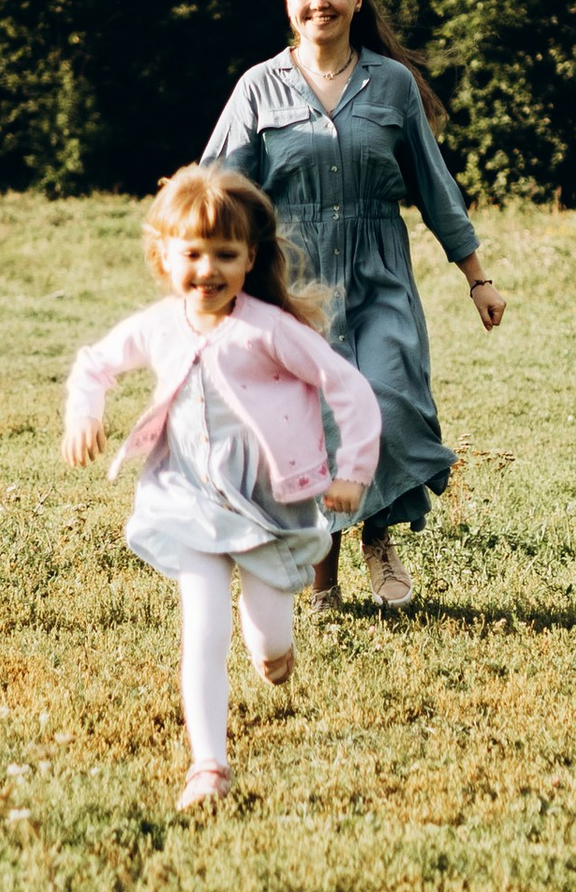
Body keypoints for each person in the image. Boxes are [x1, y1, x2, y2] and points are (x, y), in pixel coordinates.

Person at [64, 164, 382, 812]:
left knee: (266, 636)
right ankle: (208, 766)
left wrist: (353, 472)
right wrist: (85, 410)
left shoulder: (268, 330)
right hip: (187, 498)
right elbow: (96, 363)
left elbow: (348, 389)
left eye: (224, 256)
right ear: (164, 255)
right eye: (193, 254)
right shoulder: (160, 323)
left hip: (267, 504)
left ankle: (277, 647)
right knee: (201, 630)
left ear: (249, 260)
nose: (206, 269)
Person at [202, 0, 505, 610]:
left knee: (390, 404)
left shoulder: (390, 84)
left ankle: (378, 535)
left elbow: (434, 186)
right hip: (294, 284)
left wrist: (476, 276)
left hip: (379, 276)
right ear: (288, 3)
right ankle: (323, 582)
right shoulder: (259, 87)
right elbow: (215, 186)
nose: (320, 2)